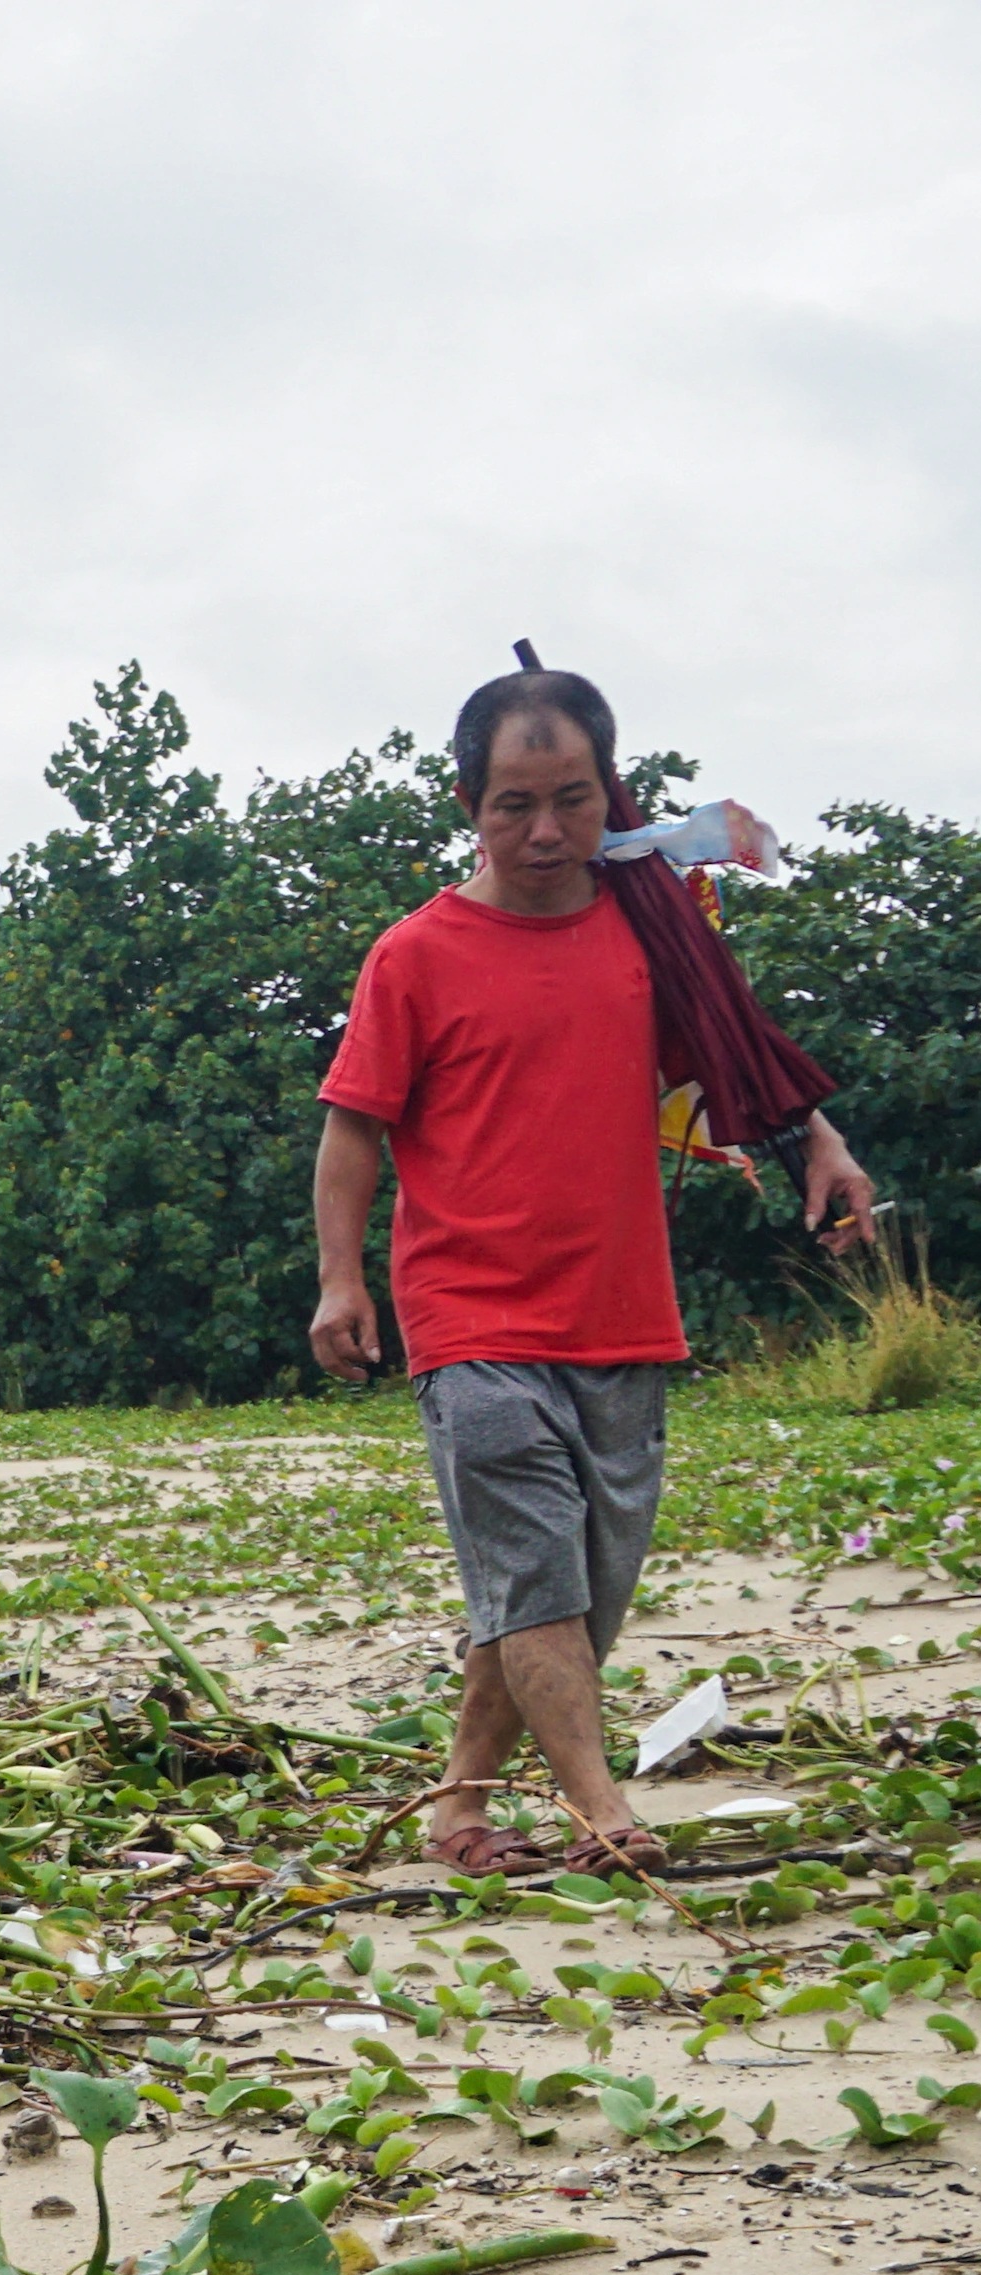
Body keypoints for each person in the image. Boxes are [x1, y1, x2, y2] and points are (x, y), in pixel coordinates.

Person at [309, 655, 872, 1874]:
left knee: (564, 1592)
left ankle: (460, 1806)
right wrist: (341, 1280)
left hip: (621, 1314)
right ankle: (601, 1812)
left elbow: (727, 1057)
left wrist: (820, 1146)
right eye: (514, 803)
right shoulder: (414, 954)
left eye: (570, 798)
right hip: (469, 1319)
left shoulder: (646, 943)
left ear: (607, 796)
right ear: (469, 804)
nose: (545, 829)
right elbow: (353, 1124)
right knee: (534, 1575)